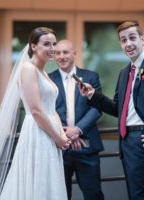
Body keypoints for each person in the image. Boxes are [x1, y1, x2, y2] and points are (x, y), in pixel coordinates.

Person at [0, 27, 71, 200]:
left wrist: (61, 135)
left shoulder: (43, 72)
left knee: (48, 179)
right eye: (46, 44)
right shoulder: (28, 69)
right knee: (36, 178)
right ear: (33, 46)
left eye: (54, 44)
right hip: (38, 132)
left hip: (51, 133)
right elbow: (35, 110)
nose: (52, 49)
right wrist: (58, 138)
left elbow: (51, 108)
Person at [78, 21, 144, 200]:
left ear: (142, 39)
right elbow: (117, 108)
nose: (128, 44)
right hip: (126, 141)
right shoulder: (125, 72)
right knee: (135, 194)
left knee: (140, 195)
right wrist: (92, 95)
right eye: (123, 40)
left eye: (132, 38)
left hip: (143, 139)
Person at [49, 40, 104, 200]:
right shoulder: (48, 80)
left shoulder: (91, 76)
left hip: (86, 147)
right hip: (58, 148)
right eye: (57, 53)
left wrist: (77, 130)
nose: (61, 56)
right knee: (60, 195)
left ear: (74, 53)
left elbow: (97, 108)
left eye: (65, 52)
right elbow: (47, 112)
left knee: (94, 194)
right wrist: (65, 135)